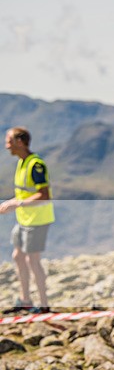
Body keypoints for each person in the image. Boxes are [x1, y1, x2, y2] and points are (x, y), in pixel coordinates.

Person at [0, 127, 55, 313]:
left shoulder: (35, 165)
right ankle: (25, 300)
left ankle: (44, 304)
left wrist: (17, 204)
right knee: (18, 256)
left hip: (38, 219)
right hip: (25, 219)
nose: (7, 145)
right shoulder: (22, 163)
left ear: (20, 142)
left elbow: (44, 195)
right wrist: (13, 204)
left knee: (33, 261)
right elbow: (24, 193)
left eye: (9, 141)